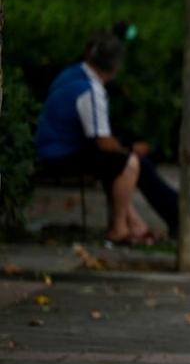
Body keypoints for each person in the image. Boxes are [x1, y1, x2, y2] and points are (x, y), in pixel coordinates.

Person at [34, 32, 179, 243]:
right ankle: (121, 227)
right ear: (116, 67)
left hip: (52, 148)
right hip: (60, 154)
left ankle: (140, 224)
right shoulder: (90, 90)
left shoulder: (72, 74)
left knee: (126, 162)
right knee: (129, 164)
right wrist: (128, 150)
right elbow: (102, 141)